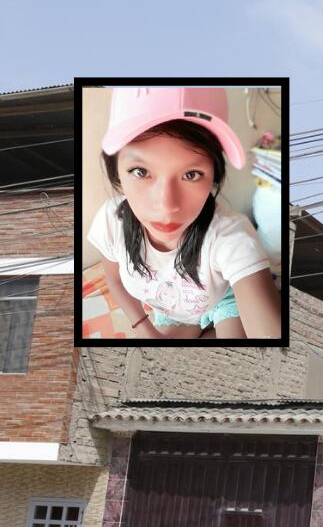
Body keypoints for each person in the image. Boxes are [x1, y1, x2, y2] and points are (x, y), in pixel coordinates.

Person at [88, 87, 281, 340]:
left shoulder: (230, 237)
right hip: (171, 314)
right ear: (116, 171)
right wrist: (145, 329)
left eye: (191, 174)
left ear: (214, 174)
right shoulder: (111, 223)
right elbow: (114, 281)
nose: (167, 206)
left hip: (226, 302)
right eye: (140, 171)